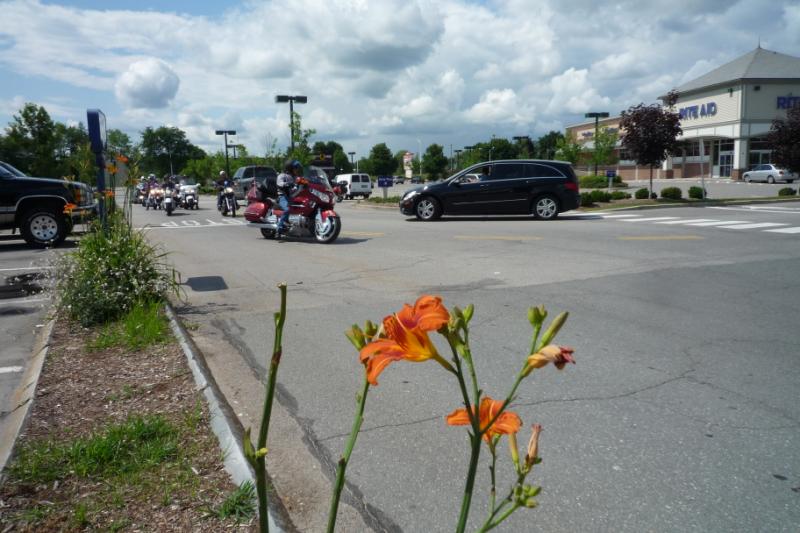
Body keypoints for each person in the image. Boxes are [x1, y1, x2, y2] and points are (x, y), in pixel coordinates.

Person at [275, 159, 303, 238]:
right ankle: (279, 229)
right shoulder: (282, 175)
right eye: (295, 168)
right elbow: (279, 183)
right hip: (283, 197)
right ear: (290, 168)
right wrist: (287, 184)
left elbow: (301, 183)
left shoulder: (295, 177)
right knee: (287, 209)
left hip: (293, 197)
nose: (297, 170)